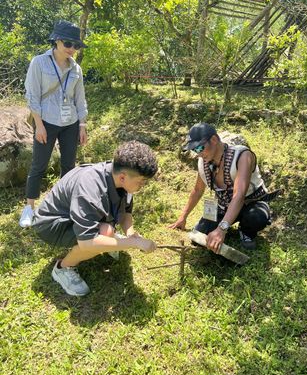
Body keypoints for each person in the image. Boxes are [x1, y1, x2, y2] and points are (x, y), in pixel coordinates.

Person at [31, 140, 158, 296]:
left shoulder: (119, 177)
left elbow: (125, 213)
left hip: (75, 216)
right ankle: (62, 268)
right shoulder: (90, 188)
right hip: (51, 225)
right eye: (141, 182)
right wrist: (133, 243)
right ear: (123, 177)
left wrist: (130, 233)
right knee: (102, 235)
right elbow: (87, 242)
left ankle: (109, 239)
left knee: (107, 231)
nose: (143, 186)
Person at [19, 20, 88, 228]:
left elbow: (80, 98)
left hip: (71, 123)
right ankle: (30, 207)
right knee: (38, 165)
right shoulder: (39, 62)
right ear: (57, 41)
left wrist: (82, 125)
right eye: (68, 44)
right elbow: (32, 96)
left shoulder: (76, 68)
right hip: (46, 121)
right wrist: (39, 125)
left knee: (69, 167)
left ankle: (64, 207)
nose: (72, 49)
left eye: (76, 45)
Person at [169, 123, 278, 253]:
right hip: (224, 206)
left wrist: (221, 229)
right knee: (198, 237)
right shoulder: (203, 162)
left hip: (251, 203)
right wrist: (183, 217)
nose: (198, 154)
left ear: (214, 140)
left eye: (199, 148)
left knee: (256, 218)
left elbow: (239, 194)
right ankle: (226, 223)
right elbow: (198, 190)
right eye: (194, 150)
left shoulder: (243, 156)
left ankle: (246, 231)